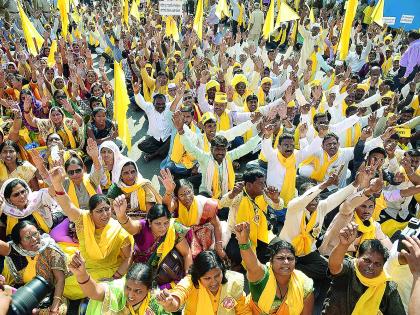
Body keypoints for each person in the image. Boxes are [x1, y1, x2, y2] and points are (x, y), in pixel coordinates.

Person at [48, 166, 133, 300]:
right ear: (90, 213)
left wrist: (114, 277)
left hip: (109, 270)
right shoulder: (83, 221)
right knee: (64, 282)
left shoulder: (118, 230)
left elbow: (128, 258)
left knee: (68, 286)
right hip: (87, 265)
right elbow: (68, 207)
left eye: (107, 209)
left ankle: (96, 292)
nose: (105, 214)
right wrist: (57, 184)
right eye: (99, 211)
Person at [323, 222, 405, 314]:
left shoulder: (388, 288)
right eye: (367, 261)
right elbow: (334, 267)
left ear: (383, 267)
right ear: (357, 257)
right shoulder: (350, 268)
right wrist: (343, 244)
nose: (371, 267)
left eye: (377, 264)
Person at [234, 222, 314, 314]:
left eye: (290, 258)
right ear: (271, 261)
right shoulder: (262, 277)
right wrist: (244, 242)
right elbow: (252, 265)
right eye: (280, 258)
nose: (286, 262)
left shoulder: (304, 285)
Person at [113, 195, 192, 288]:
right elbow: (130, 226)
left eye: (166, 223)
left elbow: (186, 253)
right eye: (158, 223)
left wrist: (188, 277)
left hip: (167, 274)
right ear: (149, 222)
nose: (163, 227)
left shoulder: (172, 229)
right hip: (142, 272)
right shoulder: (142, 227)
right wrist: (121, 215)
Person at [68, 252, 170, 315]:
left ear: (149, 289)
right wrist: (82, 275)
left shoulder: (157, 301)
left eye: (138, 291)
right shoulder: (117, 289)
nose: (130, 295)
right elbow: (95, 292)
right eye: (128, 288)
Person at [0, 221, 68, 314]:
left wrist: (54, 307)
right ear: (20, 244)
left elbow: (60, 279)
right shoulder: (16, 252)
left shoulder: (50, 249)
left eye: (35, 233)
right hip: (23, 293)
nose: (34, 239)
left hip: (50, 294)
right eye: (27, 237)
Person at [156, 250, 252, 314]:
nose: (214, 282)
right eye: (207, 278)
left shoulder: (233, 283)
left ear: (222, 271)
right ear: (198, 276)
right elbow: (178, 296)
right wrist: (169, 303)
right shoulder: (190, 282)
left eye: (217, 275)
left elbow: (243, 311)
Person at [159, 169, 225, 259]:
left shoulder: (204, 203)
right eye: (182, 195)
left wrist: (219, 246)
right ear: (176, 197)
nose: (187, 197)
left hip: (201, 234)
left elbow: (217, 225)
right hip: (182, 234)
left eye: (189, 192)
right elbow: (166, 208)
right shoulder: (176, 203)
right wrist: (169, 191)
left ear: (193, 190)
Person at [62, 139, 103, 210]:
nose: (75, 174)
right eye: (71, 172)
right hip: (75, 218)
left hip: (94, 214)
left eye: (78, 171)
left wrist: (95, 157)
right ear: (67, 173)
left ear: (83, 169)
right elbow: (52, 182)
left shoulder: (91, 179)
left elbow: (98, 170)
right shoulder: (65, 183)